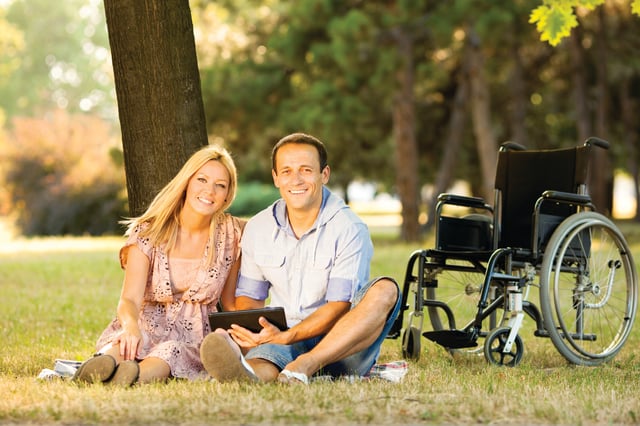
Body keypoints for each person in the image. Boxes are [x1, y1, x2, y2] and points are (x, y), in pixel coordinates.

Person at [199, 132, 401, 384]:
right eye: (286, 171)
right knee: (262, 361)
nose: (296, 179)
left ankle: (307, 364)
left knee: (386, 289)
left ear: (324, 175)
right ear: (275, 178)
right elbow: (250, 298)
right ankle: (248, 376)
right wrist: (254, 333)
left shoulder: (349, 228)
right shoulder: (259, 227)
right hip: (284, 339)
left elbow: (340, 305)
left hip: (344, 345)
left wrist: (291, 336)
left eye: (306, 170)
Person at [72, 145, 244, 386]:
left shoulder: (231, 234)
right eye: (202, 180)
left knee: (171, 351)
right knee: (131, 341)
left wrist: (238, 338)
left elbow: (230, 303)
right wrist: (130, 327)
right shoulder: (149, 232)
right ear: (187, 182)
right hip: (146, 324)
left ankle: (132, 377)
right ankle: (103, 364)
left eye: (220, 185)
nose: (210, 191)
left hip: (194, 337)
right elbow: (129, 299)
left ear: (228, 195)